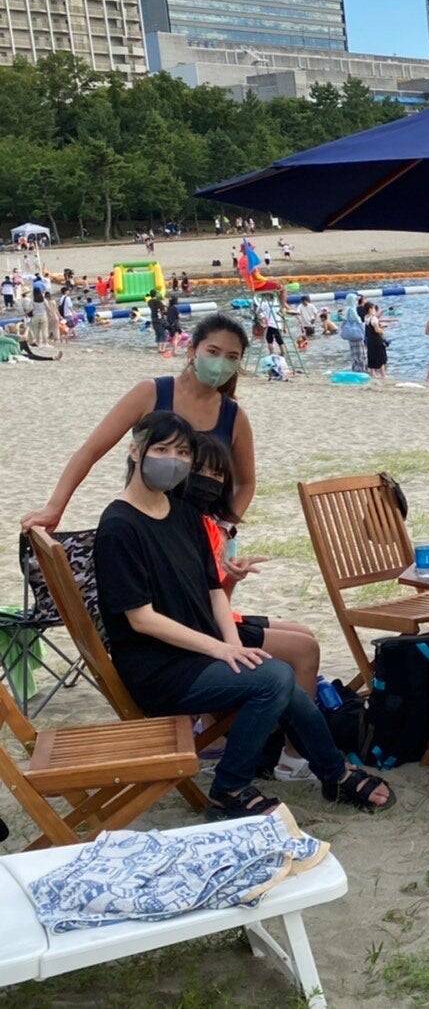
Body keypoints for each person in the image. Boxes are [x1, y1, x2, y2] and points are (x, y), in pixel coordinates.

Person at [95, 412, 392, 818]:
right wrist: (220, 650)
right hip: (158, 668)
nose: (173, 460)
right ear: (135, 451)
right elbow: (141, 619)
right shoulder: (119, 526)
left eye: (182, 452)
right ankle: (231, 788)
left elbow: (213, 590)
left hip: (200, 652)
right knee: (274, 679)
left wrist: (234, 646)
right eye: (161, 449)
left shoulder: (183, 514)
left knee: (275, 674)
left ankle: (334, 774)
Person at [23, 314, 256, 532]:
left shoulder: (234, 417)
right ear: (192, 350)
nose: (220, 363)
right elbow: (90, 451)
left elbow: (246, 484)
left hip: (205, 537)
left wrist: (224, 530)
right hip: (145, 526)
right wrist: (55, 507)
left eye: (232, 357)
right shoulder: (151, 393)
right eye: (213, 351)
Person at [186, 433, 323, 782]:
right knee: (305, 650)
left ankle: (278, 740)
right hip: (204, 631)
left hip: (215, 620)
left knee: (303, 633)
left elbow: (218, 596)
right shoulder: (191, 526)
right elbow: (202, 603)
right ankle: (294, 758)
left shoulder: (211, 525)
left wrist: (233, 577)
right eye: (201, 470)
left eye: (218, 474)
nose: (210, 480)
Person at [363, 301, 390, 379]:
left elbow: (370, 327)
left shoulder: (366, 317)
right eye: (373, 308)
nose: (374, 310)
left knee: (371, 355)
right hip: (376, 340)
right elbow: (377, 330)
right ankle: (383, 375)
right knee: (381, 356)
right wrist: (382, 330)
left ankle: (373, 373)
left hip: (370, 340)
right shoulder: (373, 318)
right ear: (370, 309)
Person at [147, 289, 168, 355]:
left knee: (158, 334)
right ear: (156, 294)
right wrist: (165, 304)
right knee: (163, 334)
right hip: (160, 319)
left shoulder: (149, 301)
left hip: (153, 318)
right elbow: (163, 310)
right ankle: (162, 349)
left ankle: (159, 349)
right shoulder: (158, 301)